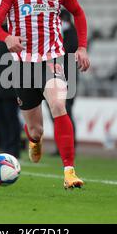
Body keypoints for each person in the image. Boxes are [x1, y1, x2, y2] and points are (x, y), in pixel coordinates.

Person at [0, 0, 90, 189]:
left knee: (58, 104)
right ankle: (34, 140)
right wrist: (7, 38)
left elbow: (79, 13)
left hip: (52, 59)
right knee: (35, 130)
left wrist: (82, 47)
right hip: (23, 66)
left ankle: (69, 171)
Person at [49, 9, 79, 156]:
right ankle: (61, 145)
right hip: (56, 77)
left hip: (68, 77)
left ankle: (70, 145)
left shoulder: (71, 34)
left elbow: (68, 51)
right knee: (55, 112)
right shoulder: (60, 35)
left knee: (65, 111)